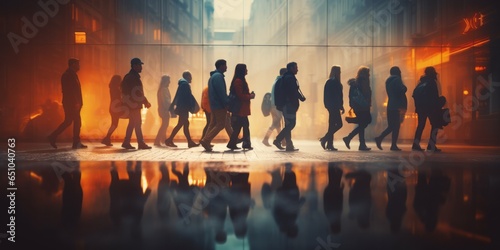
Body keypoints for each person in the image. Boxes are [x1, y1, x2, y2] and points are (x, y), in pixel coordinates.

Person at [48, 58, 87, 149]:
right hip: (71, 104)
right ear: (73, 64)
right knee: (76, 122)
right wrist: (75, 102)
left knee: (68, 121)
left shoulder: (72, 75)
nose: (79, 66)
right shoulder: (67, 75)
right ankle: (75, 142)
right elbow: (69, 91)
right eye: (78, 64)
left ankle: (53, 136)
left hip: (72, 103)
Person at [273, 62, 306, 152]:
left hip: (286, 105)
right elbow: (293, 91)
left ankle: (289, 146)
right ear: (291, 68)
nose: (297, 69)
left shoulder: (286, 77)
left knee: (288, 124)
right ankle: (278, 140)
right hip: (289, 105)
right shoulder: (290, 78)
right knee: (291, 124)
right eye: (296, 67)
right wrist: (300, 98)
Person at [120, 58, 152, 150]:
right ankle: (141, 143)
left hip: (132, 104)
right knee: (137, 123)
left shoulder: (131, 76)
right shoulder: (132, 77)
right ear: (134, 66)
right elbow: (137, 92)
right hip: (133, 105)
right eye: (139, 65)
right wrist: (145, 102)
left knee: (132, 123)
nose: (141, 67)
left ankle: (126, 142)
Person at [200, 59, 230, 152]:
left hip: (213, 105)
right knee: (220, 124)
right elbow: (221, 92)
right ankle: (206, 140)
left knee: (212, 123)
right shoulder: (218, 77)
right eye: (225, 65)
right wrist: (226, 103)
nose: (226, 67)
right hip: (219, 105)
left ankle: (206, 141)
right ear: (221, 66)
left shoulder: (213, 76)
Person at [375, 66, 407, 151]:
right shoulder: (397, 80)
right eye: (399, 71)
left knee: (392, 126)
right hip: (397, 106)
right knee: (395, 126)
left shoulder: (388, 80)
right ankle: (389, 143)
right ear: (397, 72)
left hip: (391, 105)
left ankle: (382, 139)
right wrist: (405, 88)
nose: (400, 72)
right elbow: (401, 90)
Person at [165, 71, 199, 148]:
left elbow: (179, 96)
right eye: (190, 77)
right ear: (187, 76)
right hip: (183, 108)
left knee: (183, 124)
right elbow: (186, 98)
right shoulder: (185, 85)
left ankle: (171, 140)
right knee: (183, 124)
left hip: (182, 108)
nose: (191, 79)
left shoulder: (182, 84)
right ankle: (171, 140)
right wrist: (190, 107)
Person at [412, 66, 442, 152]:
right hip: (430, 108)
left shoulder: (421, 82)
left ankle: (415, 144)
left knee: (421, 125)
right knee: (435, 125)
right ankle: (431, 145)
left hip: (421, 108)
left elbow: (414, 94)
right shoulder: (432, 82)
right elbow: (435, 96)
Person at [343, 66, 372, 151]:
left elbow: (350, 95)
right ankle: (350, 138)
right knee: (365, 122)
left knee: (362, 124)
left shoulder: (355, 82)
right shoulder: (364, 81)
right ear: (365, 73)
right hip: (363, 106)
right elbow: (367, 93)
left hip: (357, 106)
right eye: (368, 73)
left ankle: (359, 143)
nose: (369, 75)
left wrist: (351, 105)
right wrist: (368, 103)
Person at [227, 64, 255, 150]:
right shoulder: (238, 81)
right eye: (245, 69)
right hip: (240, 108)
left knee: (239, 127)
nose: (247, 70)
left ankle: (233, 143)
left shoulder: (239, 80)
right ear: (242, 70)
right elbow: (240, 95)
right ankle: (245, 143)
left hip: (241, 109)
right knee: (242, 126)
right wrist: (250, 96)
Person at [320, 66, 345, 151]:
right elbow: (337, 96)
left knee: (331, 125)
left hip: (331, 106)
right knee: (339, 124)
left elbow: (328, 95)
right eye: (339, 71)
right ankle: (325, 139)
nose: (340, 73)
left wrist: (328, 105)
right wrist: (340, 105)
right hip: (334, 106)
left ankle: (329, 144)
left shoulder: (329, 81)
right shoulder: (335, 82)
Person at [262, 68, 287, 146]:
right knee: (275, 124)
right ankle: (266, 139)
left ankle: (282, 141)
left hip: (273, 106)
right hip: (276, 106)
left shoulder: (276, 81)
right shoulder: (280, 81)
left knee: (277, 125)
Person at [101, 75, 126, 146]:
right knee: (115, 124)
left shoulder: (112, 88)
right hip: (116, 108)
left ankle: (107, 139)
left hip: (113, 108)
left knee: (114, 124)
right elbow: (119, 98)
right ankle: (107, 139)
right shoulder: (116, 89)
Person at [154, 75, 172, 146]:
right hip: (164, 110)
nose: (170, 82)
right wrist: (170, 108)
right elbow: (166, 101)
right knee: (164, 125)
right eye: (169, 80)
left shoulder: (162, 89)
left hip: (162, 109)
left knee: (164, 125)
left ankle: (163, 140)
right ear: (166, 81)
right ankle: (158, 140)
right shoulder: (164, 89)